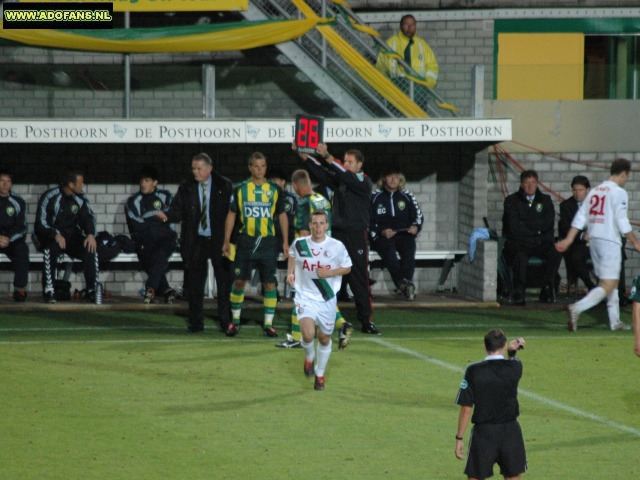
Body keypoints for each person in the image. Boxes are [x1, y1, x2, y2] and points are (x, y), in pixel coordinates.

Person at [293, 141, 381, 335]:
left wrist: (328, 156)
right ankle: (321, 315)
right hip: (337, 235)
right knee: (325, 274)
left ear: (360, 165)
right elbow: (322, 173)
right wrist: (304, 156)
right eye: (346, 161)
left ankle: (366, 320)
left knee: (359, 278)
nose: (347, 164)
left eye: (350, 161)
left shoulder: (363, 181)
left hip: (356, 235)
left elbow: (342, 173)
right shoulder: (342, 180)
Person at [556, 158, 640, 332]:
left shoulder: (595, 191)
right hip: (610, 242)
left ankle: (615, 321)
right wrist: (636, 242)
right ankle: (577, 308)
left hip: (594, 242)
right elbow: (621, 220)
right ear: (623, 174)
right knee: (608, 284)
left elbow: (580, 218)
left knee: (611, 282)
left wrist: (569, 239)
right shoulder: (618, 192)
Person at [276, 169, 353, 350]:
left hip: (311, 257)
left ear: (294, 186)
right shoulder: (322, 199)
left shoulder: (303, 203)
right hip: (328, 254)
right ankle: (341, 324)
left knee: (303, 295)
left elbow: (304, 236)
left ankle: (296, 338)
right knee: (323, 296)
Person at [156, 153, 233, 333]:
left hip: (219, 241)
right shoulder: (187, 187)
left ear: (209, 169)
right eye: (193, 169)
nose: (195, 172)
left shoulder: (224, 185)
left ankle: (226, 322)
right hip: (195, 240)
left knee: (223, 284)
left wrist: (230, 240)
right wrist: (167, 216)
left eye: (199, 169)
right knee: (195, 285)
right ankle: (196, 323)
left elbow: (232, 214)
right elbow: (178, 209)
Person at [222, 152, 289, 338]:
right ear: (250, 168)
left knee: (269, 284)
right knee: (239, 281)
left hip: (268, 243)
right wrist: (226, 241)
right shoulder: (241, 189)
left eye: (263, 166)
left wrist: (285, 242)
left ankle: (268, 324)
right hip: (245, 241)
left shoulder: (275, 189)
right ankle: (234, 321)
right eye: (256, 166)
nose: (260, 170)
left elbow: (282, 215)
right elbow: (232, 214)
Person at [287, 210, 352, 391]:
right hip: (305, 296)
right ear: (309, 225)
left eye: (321, 223)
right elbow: (292, 254)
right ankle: (309, 357)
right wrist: (291, 272)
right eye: (314, 223)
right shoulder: (300, 244)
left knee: (324, 339)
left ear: (327, 225)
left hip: (326, 299)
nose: (318, 227)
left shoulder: (336, 246)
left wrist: (330, 273)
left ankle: (320, 373)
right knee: (308, 335)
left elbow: (347, 267)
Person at [455, 329, 527, 480]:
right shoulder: (515, 368)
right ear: (504, 345)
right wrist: (512, 352)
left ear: (484, 347)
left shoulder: (474, 371)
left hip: (484, 434)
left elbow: (466, 408)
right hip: (510, 432)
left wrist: (459, 438)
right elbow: (512, 361)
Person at [35, 169, 97, 304]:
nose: (83, 186)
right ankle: (49, 290)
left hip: (71, 238)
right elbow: (40, 224)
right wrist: (55, 234)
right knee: (51, 249)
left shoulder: (81, 198)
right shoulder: (51, 197)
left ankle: (92, 290)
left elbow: (88, 218)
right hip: (52, 237)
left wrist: (90, 234)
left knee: (90, 247)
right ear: (71, 184)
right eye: (80, 183)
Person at [502, 170, 562, 306]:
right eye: (527, 183)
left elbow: (548, 223)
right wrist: (537, 229)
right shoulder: (512, 200)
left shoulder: (545, 200)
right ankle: (519, 291)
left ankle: (547, 288)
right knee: (520, 256)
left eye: (533, 183)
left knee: (556, 252)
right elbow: (513, 227)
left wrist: (526, 223)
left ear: (537, 183)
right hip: (520, 243)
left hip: (541, 242)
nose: (530, 186)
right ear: (521, 184)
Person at [370, 167, 424, 301]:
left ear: (400, 179)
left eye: (396, 176)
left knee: (409, 251)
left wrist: (415, 227)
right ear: (384, 179)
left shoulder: (407, 195)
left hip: (403, 234)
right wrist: (381, 231)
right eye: (390, 176)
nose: (393, 179)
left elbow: (418, 217)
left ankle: (404, 285)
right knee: (390, 253)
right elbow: (367, 220)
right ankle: (404, 285)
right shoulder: (375, 196)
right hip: (383, 235)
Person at [126, 166, 177, 304]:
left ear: (155, 182)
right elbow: (137, 225)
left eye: (147, 181)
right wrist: (158, 220)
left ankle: (151, 287)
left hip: (166, 238)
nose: (143, 184)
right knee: (157, 255)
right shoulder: (133, 201)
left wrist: (151, 219)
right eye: (141, 181)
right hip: (146, 239)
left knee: (160, 251)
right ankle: (164, 289)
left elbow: (170, 219)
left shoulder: (165, 196)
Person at [375, 14, 439, 88]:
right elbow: (381, 66)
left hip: (420, 89)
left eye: (412, 25)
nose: (409, 28)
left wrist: (428, 84)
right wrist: (387, 86)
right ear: (400, 26)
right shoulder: (390, 43)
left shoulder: (422, 44)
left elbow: (432, 66)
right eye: (406, 25)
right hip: (396, 87)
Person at [558, 175, 596, 293]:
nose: (577, 193)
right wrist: (581, 235)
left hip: (596, 243)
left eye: (580, 190)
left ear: (588, 190)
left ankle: (615, 292)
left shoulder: (597, 204)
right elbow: (565, 228)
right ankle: (591, 286)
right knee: (575, 257)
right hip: (578, 244)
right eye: (575, 190)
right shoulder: (566, 206)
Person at [267, 167, 297, 302]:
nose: (272, 184)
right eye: (270, 181)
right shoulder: (265, 198)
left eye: (275, 181)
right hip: (272, 237)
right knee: (267, 255)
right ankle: (272, 291)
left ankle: (296, 289)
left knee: (301, 250)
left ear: (283, 182)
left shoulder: (292, 199)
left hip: (290, 236)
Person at [0, 170, 29, 302]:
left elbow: (22, 227)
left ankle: (19, 289)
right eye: (2, 181)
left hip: (10, 241)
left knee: (22, 249)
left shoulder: (18, 201)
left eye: (8, 181)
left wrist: (9, 238)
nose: (5, 184)